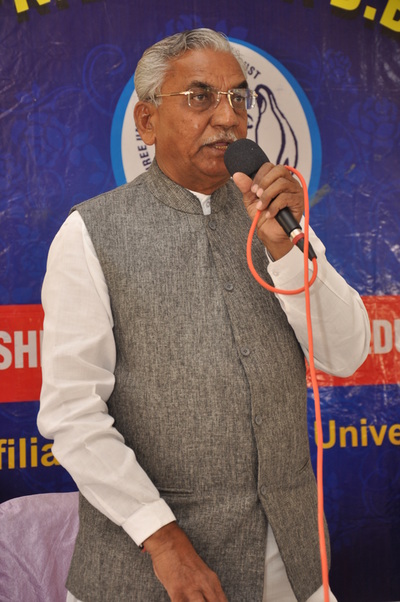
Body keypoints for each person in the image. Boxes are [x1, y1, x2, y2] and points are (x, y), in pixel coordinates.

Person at [38, 29, 370, 602]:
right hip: (150, 573)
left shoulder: (276, 217)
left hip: (290, 566)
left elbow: (346, 353)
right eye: (200, 97)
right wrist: (162, 539)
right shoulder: (91, 232)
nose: (228, 118)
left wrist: (288, 252)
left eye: (239, 98)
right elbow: (73, 414)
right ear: (146, 122)